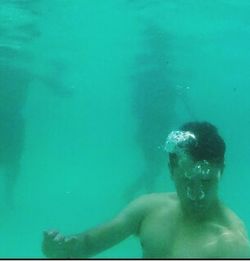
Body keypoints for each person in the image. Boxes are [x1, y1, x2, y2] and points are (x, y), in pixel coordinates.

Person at [42, 121, 250, 258]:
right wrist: (60, 251)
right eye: (186, 181)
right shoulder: (149, 209)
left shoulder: (232, 245)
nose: (196, 193)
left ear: (220, 172)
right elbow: (87, 245)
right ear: (171, 171)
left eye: (206, 181)